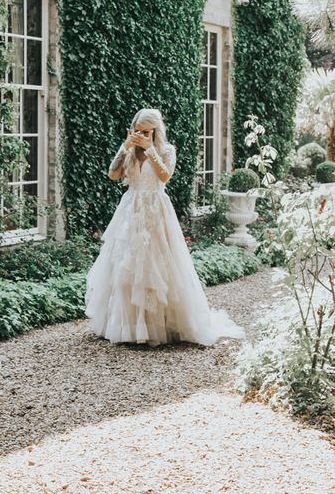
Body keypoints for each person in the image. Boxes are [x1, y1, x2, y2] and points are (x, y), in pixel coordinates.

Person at [84, 108, 245, 346]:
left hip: (155, 211)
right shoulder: (130, 151)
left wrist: (150, 150)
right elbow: (113, 174)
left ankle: (157, 325)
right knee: (124, 267)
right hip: (130, 210)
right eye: (138, 130)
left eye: (146, 131)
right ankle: (126, 326)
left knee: (156, 267)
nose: (141, 135)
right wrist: (126, 146)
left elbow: (165, 176)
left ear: (155, 131)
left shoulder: (166, 151)